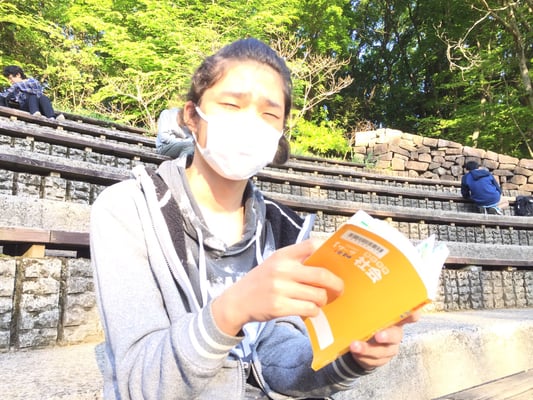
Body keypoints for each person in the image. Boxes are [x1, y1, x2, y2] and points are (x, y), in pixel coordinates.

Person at [91, 38, 419, 400]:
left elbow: (278, 362)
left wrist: (351, 356)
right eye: (231, 105)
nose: (249, 123)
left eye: (269, 114)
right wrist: (233, 309)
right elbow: (140, 383)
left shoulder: (284, 228)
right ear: (192, 117)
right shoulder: (127, 209)